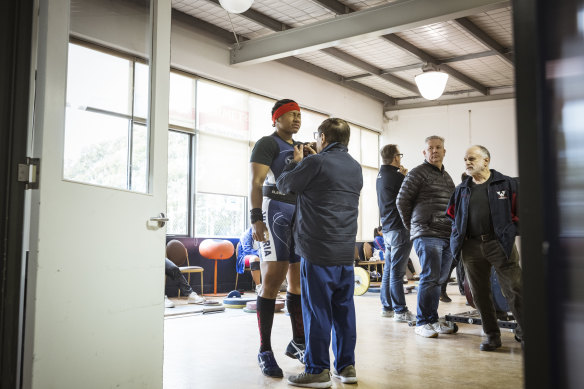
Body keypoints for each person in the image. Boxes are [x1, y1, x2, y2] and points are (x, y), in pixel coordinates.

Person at [276, 118, 362, 388]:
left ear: (323, 136)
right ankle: (346, 367)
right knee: (344, 309)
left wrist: (297, 161)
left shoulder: (315, 163)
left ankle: (317, 370)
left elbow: (284, 184)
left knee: (317, 310)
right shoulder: (355, 167)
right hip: (345, 250)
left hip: (317, 250)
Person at [446, 145, 524, 351]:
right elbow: (453, 215)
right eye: (465, 159)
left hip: (499, 244)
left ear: (486, 160)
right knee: (479, 294)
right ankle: (491, 336)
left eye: (472, 158)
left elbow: (519, 211)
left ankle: (526, 333)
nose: (467, 162)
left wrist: (508, 232)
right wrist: (458, 236)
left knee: (515, 289)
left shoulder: (505, 183)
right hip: (470, 247)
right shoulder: (461, 189)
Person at [249, 99, 305, 378]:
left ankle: (298, 343)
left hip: (298, 212)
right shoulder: (266, 143)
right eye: (290, 114)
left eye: (298, 114)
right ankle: (264, 350)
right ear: (276, 118)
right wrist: (256, 218)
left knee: (297, 280)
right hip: (274, 212)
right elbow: (257, 182)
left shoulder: (301, 147)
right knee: (273, 279)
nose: (296, 119)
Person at [397, 135, 456, 338]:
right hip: (427, 233)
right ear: (424, 152)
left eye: (438, 147)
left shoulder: (447, 177)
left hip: (447, 235)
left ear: (444, 151)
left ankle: (432, 319)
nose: (434, 151)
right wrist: (414, 228)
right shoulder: (416, 173)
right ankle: (423, 322)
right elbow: (401, 201)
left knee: (439, 280)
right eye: (430, 148)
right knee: (430, 277)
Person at [376, 144, 415, 323]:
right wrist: (406, 177)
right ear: (396, 158)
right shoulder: (397, 176)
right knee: (397, 273)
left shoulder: (380, 175)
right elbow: (413, 196)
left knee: (389, 272)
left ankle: (387, 308)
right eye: (399, 155)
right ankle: (400, 310)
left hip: (388, 228)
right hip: (400, 228)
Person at [237, 227, 262, 293]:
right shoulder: (247, 234)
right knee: (255, 259)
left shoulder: (265, 233)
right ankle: (258, 286)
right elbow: (247, 251)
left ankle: (270, 286)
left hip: (259, 256)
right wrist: (262, 254)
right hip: (245, 256)